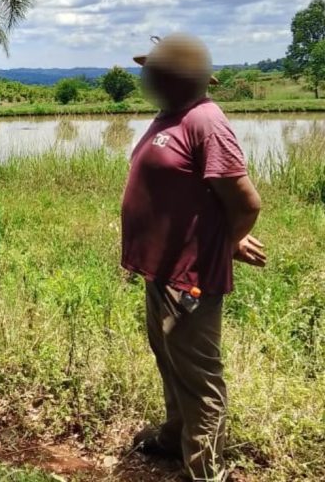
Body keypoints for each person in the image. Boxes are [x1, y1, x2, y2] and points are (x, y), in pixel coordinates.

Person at [121, 34, 266, 482]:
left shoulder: (206, 120)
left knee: (200, 380)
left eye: (158, 71)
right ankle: (173, 437)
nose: (149, 78)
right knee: (170, 360)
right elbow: (187, 196)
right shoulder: (170, 116)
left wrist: (223, 243)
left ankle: (203, 470)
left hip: (189, 279)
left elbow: (245, 203)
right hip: (160, 271)